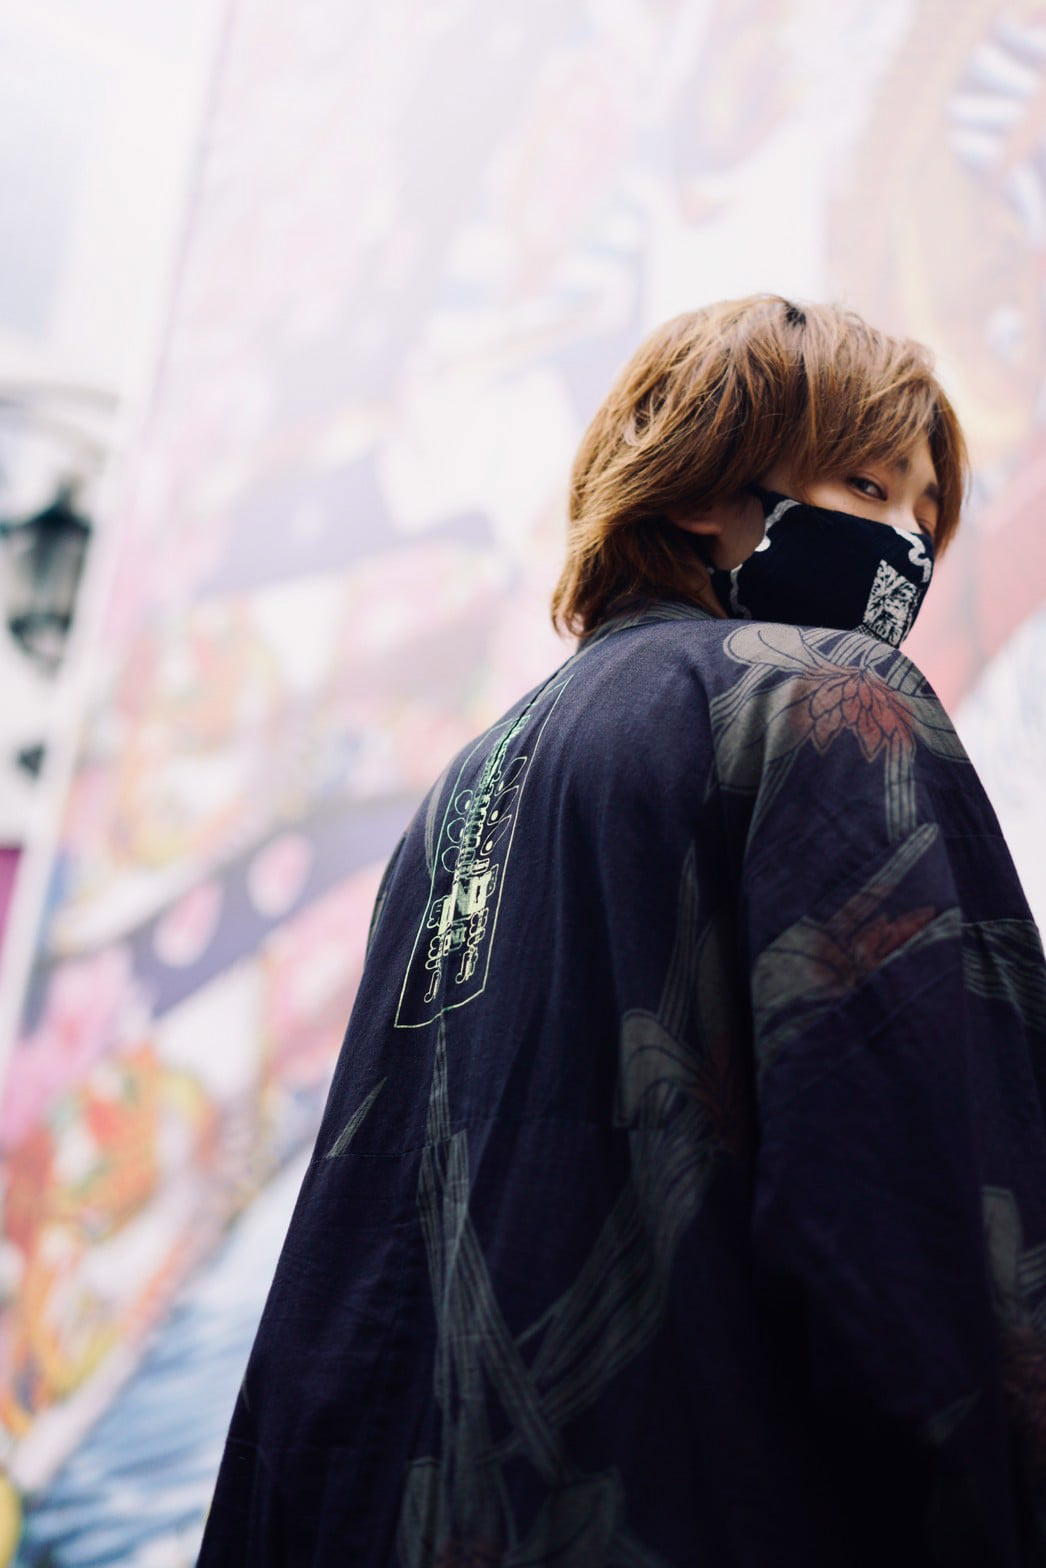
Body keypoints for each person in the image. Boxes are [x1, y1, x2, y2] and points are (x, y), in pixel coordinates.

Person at [197, 296, 1046, 1567]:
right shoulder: (821, 701)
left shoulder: (457, 796)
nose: (906, 550)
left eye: (926, 517)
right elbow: (918, 1205)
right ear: (699, 491)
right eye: (868, 487)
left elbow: (350, 1254)